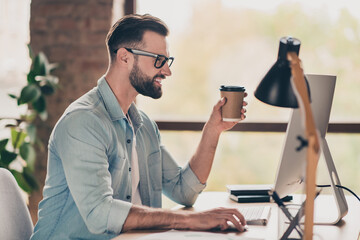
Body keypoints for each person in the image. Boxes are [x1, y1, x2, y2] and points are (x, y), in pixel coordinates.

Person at [31, 14, 248, 240]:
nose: (167, 71)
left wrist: (213, 129)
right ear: (124, 57)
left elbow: (183, 191)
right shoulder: (83, 122)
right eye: (158, 60)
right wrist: (190, 220)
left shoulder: (143, 126)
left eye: (167, 61)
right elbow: (100, 214)